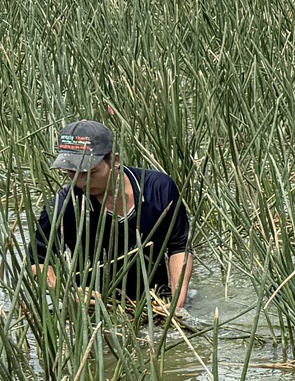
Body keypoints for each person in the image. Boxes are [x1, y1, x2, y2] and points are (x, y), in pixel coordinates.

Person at [31, 119, 194, 316]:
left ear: (115, 161)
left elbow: (179, 246)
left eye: (90, 172)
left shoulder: (159, 189)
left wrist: (178, 300)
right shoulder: (62, 206)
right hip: (94, 309)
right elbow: (37, 262)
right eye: (71, 173)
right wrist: (66, 293)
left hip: (156, 303)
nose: (81, 182)